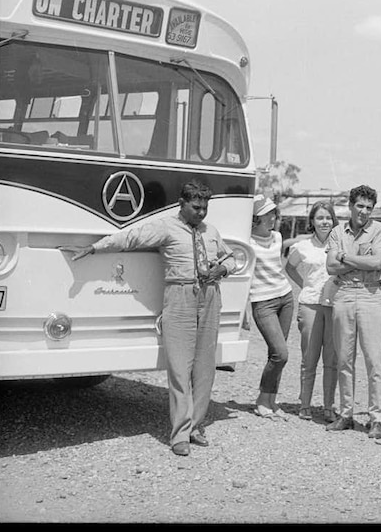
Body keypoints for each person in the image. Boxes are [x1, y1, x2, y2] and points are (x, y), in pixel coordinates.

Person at [59, 179, 236, 456]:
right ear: (182, 203)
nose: (201, 213)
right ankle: (180, 435)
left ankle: (196, 426)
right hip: (179, 297)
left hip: (211, 296)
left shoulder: (211, 231)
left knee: (204, 369)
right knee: (179, 368)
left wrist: (222, 270)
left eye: (205, 208)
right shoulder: (165, 227)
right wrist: (95, 248)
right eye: (196, 207)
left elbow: (231, 258)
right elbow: (129, 237)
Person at [325, 185, 381, 439]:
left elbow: (376, 262)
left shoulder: (380, 230)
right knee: (344, 359)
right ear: (350, 206)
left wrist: (344, 256)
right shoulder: (337, 232)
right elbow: (330, 267)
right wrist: (353, 260)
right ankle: (346, 414)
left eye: (369, 208)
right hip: (343, 296)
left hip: (370, 294)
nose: (363, 211)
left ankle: (377, 418)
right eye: (360, 206)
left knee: (374, 360)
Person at [285, 201, 339, 423]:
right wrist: (305, 284)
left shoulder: (339, 246)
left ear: (333, 220)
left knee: (331, 359)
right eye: (320, 218)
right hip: (310, 306)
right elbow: (289, 267)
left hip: (334, 306)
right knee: (309, 357)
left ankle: (328, 406)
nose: (324, 222)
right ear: (312, 222)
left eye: (328, 217)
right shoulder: (302, 247)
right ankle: (305, 404)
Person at [248, 195, 294, 421]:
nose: (272, 217)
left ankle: (270, 400)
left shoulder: (277, 237)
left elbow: (286, 246)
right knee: (281, 354)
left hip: (285, 297)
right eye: (267, 214)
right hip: (262, 302)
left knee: (274, 354)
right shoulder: (246, 241)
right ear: (255, 218)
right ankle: (261, 400)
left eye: (273, 213)